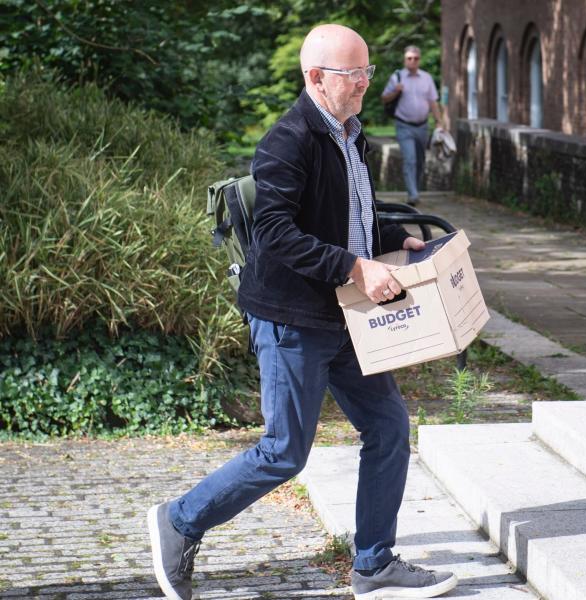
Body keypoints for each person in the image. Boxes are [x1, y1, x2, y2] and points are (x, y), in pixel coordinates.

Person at [146, 24, 458, 600]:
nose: (364, 83)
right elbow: (275, 233)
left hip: (343, 313)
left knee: (388, 427)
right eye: (352, 74)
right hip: (292, 318)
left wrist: (396, 238)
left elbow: (348, 216)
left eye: (368, 71)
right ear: (315, 77)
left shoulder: (351, 133)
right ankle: (179, 521)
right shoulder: (288, 139)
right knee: (284, 452)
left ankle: (374, 565)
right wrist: (358, 268)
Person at [380, 45, 444, 206]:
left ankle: (415, 189)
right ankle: (412, 194)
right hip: (404, 125)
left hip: (422, 126)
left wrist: (439, 122)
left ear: (419, 60)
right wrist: (395, 91)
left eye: (415, 58)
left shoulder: (427, 78)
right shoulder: (397, 77)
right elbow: (384, 98)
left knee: (420, 160)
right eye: (409, 58)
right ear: (405, 59)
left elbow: (433, 102)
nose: (412, 61)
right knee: (410, 159)